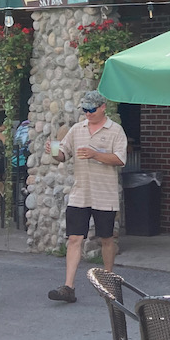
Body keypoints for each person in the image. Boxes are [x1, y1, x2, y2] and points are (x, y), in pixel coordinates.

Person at [48, 90, 128, 304]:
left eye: (92, 109)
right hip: (80, 193)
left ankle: (109, 282)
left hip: (105, 194)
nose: (88, 113)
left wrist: (95, 154)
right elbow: (62, 155)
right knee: (74, 239)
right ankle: (68, 287)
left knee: (106, 238)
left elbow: (120, 159)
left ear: (103, 108)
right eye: (85, 109)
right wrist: (53, 150)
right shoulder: (77, 129)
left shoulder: (116, 131)